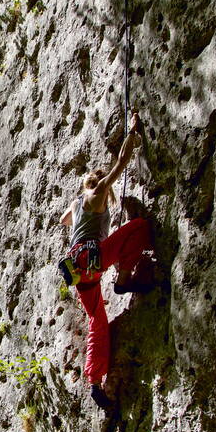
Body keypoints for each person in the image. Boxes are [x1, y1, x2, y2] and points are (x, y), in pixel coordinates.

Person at [59, 112, 153, 392]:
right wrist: (133, 131)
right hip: (92, 257)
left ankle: (95, 380)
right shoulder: (96, 193)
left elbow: (64, 220)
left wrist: (82, 219)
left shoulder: (76, 204)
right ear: (96, 184)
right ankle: (123, 279)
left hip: (77, 270)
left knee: (96, 321)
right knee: (138, 227)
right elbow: (121, 164)